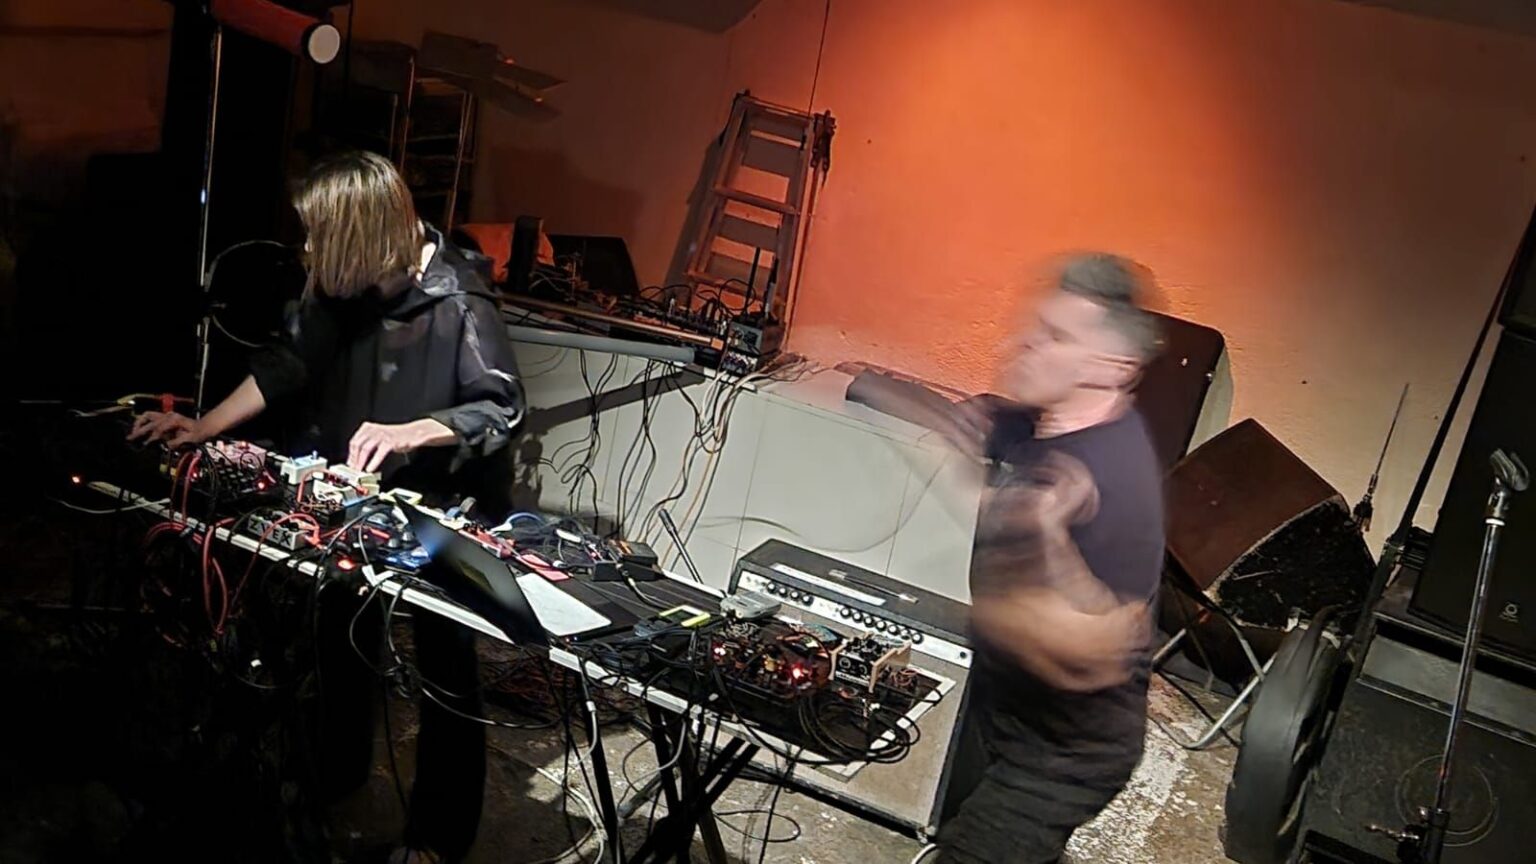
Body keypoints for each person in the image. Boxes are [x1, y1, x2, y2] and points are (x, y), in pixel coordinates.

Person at [129, 150, 524, 863]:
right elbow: (289, 361)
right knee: (339, 638)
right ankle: (333, 779)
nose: (309, 248)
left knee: (445, 668)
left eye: (319, 234)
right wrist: (205, 426)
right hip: (360, 505)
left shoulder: (460, 298)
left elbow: (500, 406)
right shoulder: (345, 288)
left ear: (358, 233)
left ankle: (438, 839)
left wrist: (413, 430)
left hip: (446, 508)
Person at [926, 253, 1166, 864]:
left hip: (1064, 757)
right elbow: (979, 421)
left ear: (1113, 366)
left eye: (1057, 336)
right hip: (1005, 713)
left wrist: (1029, 553)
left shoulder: (1117, 481)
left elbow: (1099, 652)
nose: (1027, 342)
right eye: (1035, 324)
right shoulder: (1028, 426)